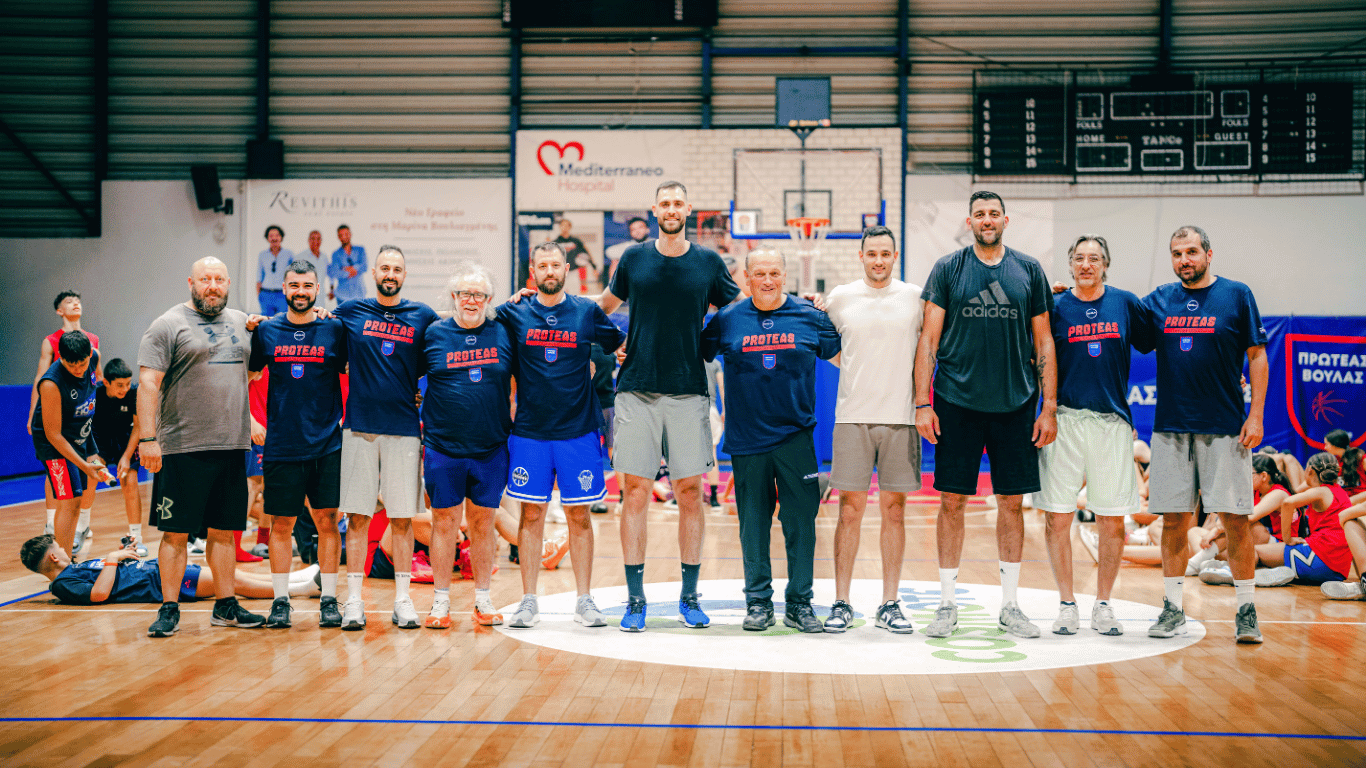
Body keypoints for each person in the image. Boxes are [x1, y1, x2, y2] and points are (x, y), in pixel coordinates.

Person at [598, 180, 741, 631]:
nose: (672, 209)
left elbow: (741, 309)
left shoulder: (708, 262)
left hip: (688, 390)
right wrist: (611, 340)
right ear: (654, 210)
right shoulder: (633, 259)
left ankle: (690, 596)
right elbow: (601, 307)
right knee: (635, 492)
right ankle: (635, 600)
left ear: (688, 209)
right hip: (636, 390)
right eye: (665, 203)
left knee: (690, 492)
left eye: (679, 203)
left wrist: (799, 307)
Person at [913, 191, 1057, 640]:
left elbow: (1044, 340)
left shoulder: (1029, 269)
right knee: (951, 502)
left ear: (1006, 220)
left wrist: (1049, 406)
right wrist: (922, 403)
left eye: (994, 214)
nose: (987, 220)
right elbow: (928, 339)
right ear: (969, 221)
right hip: (956, 402)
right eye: (980, 214)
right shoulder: (947, 269)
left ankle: (1010, 605)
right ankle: (947, 604)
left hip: (1016, 404)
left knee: (1011, 503)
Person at [1140, 225, 1269, 644]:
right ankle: (1173, 608)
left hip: (1225, 427)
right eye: (1177, 253)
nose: (1184, 260)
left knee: (1236, 520)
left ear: (1209, 254)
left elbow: (1257, 356)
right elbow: (1114, 318)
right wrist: (1072, 295)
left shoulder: (1237, 294)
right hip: (1171, 428)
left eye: (1192, 252)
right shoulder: (1160, 299)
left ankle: (1246, 610)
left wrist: (1256, 416)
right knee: (1174, 521)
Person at [700, 247, 840, 633]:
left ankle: (799, 603)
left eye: (774, 273)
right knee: (753, 526)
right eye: (759, 274)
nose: (767, 280)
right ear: (746, 279)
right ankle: (758, 602)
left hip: (797, 438)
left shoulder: (810, 316)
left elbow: (845, 354)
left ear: (784, 276)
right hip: (747, 441)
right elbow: (694, 354)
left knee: (801, 524)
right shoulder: (727, 320)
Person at [499, 242, 625, 629]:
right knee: (531, 515)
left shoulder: (586, 311)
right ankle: (528, 601)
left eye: (555, 265)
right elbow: (478, 323)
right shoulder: (513, 311)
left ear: (566, 269)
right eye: (543, 266)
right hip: (530, 432)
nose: (549, 271)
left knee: (579, 515)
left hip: (578, 431)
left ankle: (584, 600)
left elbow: (620, 346)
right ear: (532, 271)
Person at [138, 256, 265, 637]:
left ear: (228, 284)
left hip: (231, 446)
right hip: (182, 448)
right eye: (205, 279)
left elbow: (248, 375)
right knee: (176, 534)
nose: (213, 286)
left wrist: (249, 419)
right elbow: (148, 384)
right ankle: (169, 608)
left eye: (219, 279)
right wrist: (148, 439)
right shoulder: (168, 324)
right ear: (191, 283)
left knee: (224, 532)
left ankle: (226, 606)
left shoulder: (242, 323)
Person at [1034, 235, 1147, 636]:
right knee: (1056, 517)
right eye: (1079, 258)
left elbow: (1164, 342)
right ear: (1070, 265)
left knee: (1112, 521)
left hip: (1110, 422)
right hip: (1063, 420)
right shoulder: (1054, 306)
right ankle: (1067, 604)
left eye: (1094, 258)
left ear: (1105, 265)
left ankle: (1103, 604)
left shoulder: (1125, 303)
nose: (1086, 264)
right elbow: (1035, 353)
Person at [821, 225, 923, 634]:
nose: (878, 260)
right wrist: (855, 367)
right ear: (860, 256)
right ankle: (841, 601)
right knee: (849, 511)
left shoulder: (915, 297)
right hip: (853, 417)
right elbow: (827, 344)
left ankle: (890, 602)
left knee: (895, 511)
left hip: (901, 417)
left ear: (894, 257)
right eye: (872, 253)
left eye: (885, 254)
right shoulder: (840, 298)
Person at [333, 245, 440, 630]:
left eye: (397, 268)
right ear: (374, 273)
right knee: (358, 516)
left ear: (404, 275)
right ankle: (354, 600)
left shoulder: (423, 316)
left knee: (402, 518)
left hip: (404, 431)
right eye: (384, 268)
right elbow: (315, 327)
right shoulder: (350, 312)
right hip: (358, 428)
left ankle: (403, 599)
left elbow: (441, 355)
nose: (390, 274)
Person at [248, 259, 348, 629]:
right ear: (285, 289)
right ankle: (280, 602)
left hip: (327, 444)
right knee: (281, 524)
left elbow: (355, 372)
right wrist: (251, 420)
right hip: (282, 444)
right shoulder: (266, 330)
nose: (301, 292)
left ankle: (329, 600)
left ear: (317, 289)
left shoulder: (334, 329)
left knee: (327, 522)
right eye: (294, 286)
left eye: (307, 286)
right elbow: (248, 374)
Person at [420, 264, 516, 628]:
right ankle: (440, 602)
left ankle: (483, 599)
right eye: (464, 294)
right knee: (444, 522)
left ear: (489, 299)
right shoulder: (434, 334)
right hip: (443, 448)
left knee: (483, 523)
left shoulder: (504, 332)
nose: (471, 300)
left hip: (490, 447)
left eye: (478, 294)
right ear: (453, 297)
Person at [21, 534, 320, 605]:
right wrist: (112, 559)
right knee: (231, 583)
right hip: (158, 581)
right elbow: (99, 594)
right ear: (54, 558)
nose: (65, 548)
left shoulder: (73, 570)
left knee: (233, 576)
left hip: (155, 571)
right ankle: (300, 589)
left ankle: (297, 579)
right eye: (59, 547)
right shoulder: (63, 584)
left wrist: (122, 554)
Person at [30, 290, 101, 548]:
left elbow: (92, 394)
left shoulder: (94, 356)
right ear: (61, 358)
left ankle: (68, 553)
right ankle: (62, 560)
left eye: (82, 364)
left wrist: (91, 454)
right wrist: (84, 464)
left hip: (80, 430)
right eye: (72, 366)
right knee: (69, 500)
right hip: (54, 442)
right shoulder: (51, 383)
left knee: (77, 499)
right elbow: (53, 435)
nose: (78, 369)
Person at [1248, 453, 1352, 587]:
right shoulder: (1338, 492)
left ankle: (1235, 576)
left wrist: (1288, 539)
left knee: (1252, 551)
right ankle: (1274, 571)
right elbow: (1297, 492)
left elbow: (1287, 503)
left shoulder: (1320, 491)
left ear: (1309, 470)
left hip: (1321, 556)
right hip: (1338, 569)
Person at [91, 358, 148, 557]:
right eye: (120, 385)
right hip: (100, 440)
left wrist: (126, 456)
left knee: (130, 481)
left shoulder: (135, 393)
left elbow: (138, 427)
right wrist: (92, 455)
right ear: (106, 382)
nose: (125, 388)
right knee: (92, 476)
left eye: (128, 383)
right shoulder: (95, 393)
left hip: (126, 439)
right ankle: (82, 528)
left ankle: (136, 538)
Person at [256, 225, 294, 315]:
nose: (274, 238)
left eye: (277, 235)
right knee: (266, 320)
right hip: (266, 293)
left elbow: (293, 274)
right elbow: (259, 275)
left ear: (281, 237)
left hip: (282, 294)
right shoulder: (263, 255)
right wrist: (259, 295)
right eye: (271, 236)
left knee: (282, 320)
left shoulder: (288, 254)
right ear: (267, 238)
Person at [603, 216, 651, 283]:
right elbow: (609, 252)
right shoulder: (628, 246)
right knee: (615, 261)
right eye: (633, 229)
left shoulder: (657, 244)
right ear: (630, 233)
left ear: (647, 229)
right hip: (632, 283)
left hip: (654, 282)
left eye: (640, 227)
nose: (637, 231)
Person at [329, 224, 367, 304]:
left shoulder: (360, 250)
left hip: (359, 295)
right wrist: (351, 273)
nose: (344, 237)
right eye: (341, 235)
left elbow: (364, 267)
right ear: (338, 237)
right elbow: (336, 273)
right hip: (342, 296)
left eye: (346, 234)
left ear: (350, 234)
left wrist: (346, 268)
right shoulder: (335, 254)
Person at [1325, 430, 1365, 496]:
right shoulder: (1334, 462)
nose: (1325, 448)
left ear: (1335, 444)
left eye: (1326, 444)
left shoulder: (1361, 458)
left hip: (1361, 497)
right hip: (1345, 498)